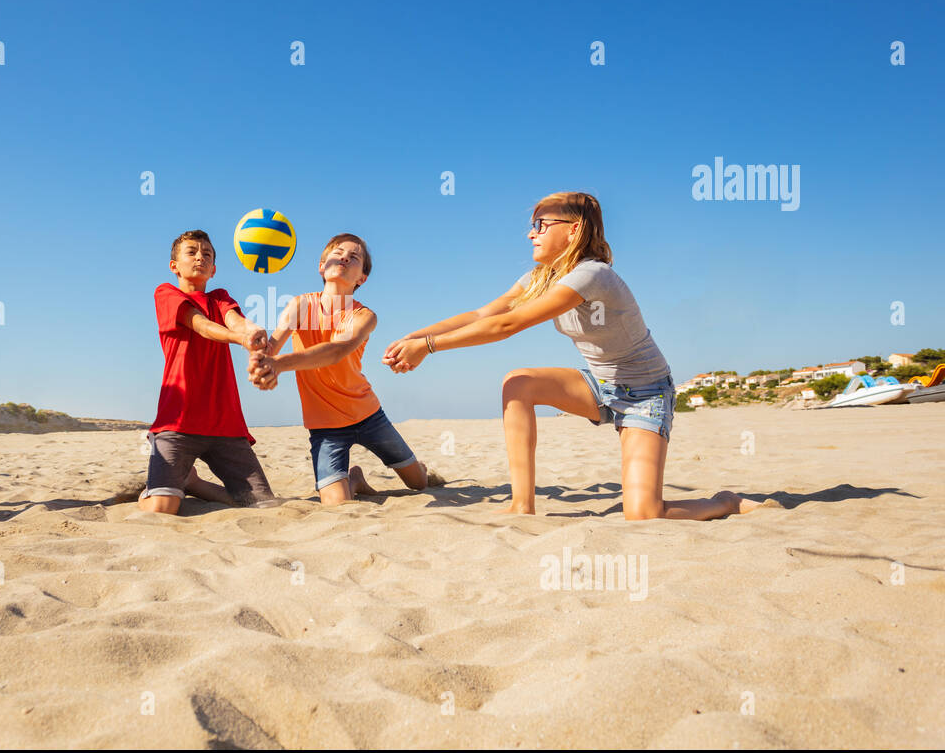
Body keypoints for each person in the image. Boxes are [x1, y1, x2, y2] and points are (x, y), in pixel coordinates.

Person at [381, 191, 766, 521]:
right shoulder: (540, 277)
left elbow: (507, 326)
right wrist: (416, 336)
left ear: (574, 228)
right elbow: (486, 314)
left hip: (645, 394)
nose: (530, 232)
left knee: (644, 514)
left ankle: (725, 502)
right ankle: (521, 504)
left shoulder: (592, 275)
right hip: (599, 383)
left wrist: (428, 349)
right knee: (518, 382)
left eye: (540, 224)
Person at [249, 233, 431, 505]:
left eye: (354, 256)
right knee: (337, 505)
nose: (344, 256)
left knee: (419, 484)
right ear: (322, 266)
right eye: (337, 252)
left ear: (362, 278)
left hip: (368, 415)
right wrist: (261, 360)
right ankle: (354, 479)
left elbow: (336, 351)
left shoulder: (364, 316)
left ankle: (412, 471)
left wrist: (278, 365)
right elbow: (272, 347)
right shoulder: (299, 305)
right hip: (325, 427)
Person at [138, 229, 278, 515]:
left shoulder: (219, 297)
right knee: (161, 510)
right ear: (174, 265)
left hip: (226, 424)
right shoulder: (166, 293)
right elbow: (200, 325)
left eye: (207, 254)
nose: (200, 257)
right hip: (177, 422)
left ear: (213, 269)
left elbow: (235, 321)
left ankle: (193, 484)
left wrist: (250, 331)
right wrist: (240, 338)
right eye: (191, 252)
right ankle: (161, 487)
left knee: (265, 506)